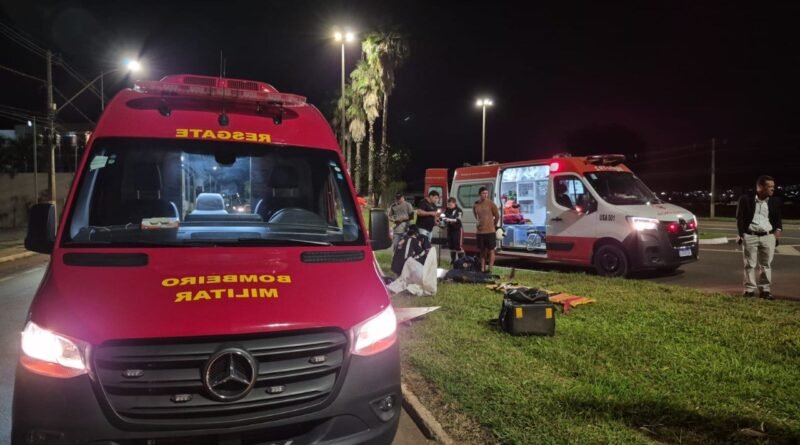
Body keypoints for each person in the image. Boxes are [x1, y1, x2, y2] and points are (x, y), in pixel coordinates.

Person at [736, 175, 782, 300]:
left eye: (773, 186)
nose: (773, 188)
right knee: (749, 265)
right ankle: (749, 290)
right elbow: (740, 218)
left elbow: (778, 218)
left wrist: (778, 230)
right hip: (750, 236)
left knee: (766, 265)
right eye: (769, 186)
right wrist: (742, 234)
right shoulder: (745, 199)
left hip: (768, 236)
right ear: (760, 187)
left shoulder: (775, 201)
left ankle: (765, 290)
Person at [473, 186, 500, 273]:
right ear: (480, 194)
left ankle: (490, 268)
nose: (485, 195)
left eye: (486, 193)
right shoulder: (476, 204)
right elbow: (476, 216)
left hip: (490, 231)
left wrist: (493, 225)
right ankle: (482, 268)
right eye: (483, 193)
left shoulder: (491, 203)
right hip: (480, 232)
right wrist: (479, 223)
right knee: (482, 251)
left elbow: (497, 216)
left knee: (491, 250)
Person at [442, 197, 464, 264]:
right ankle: (453, 261)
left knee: (458, 246)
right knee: (451, 246)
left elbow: (458, 220)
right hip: (450, 229)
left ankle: (461, 261)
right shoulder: (447, 210)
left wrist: (449, 219)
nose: (449, 206)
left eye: (451, 204)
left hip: (457, 229)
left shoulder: (459, 210)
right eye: (449, 204)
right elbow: (443, 217)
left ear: (454, 203)